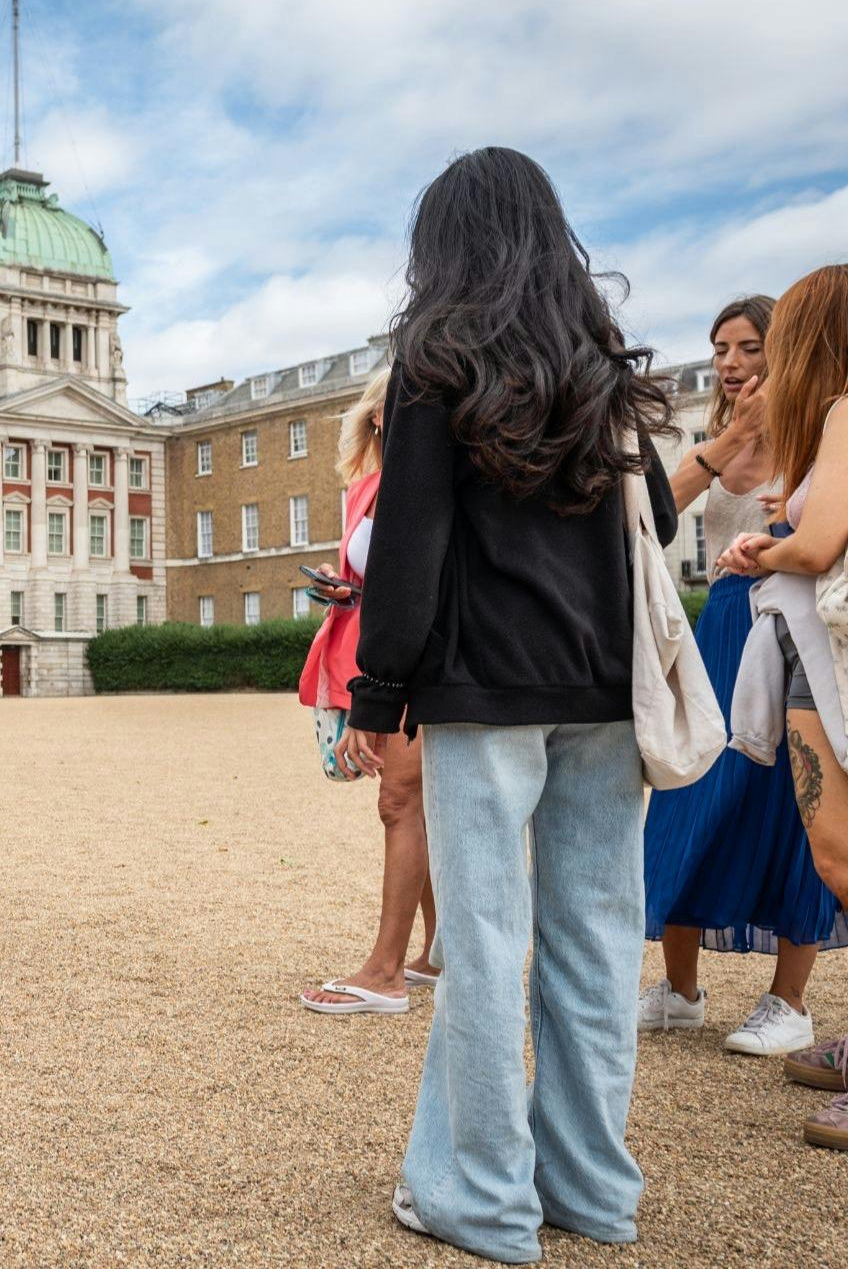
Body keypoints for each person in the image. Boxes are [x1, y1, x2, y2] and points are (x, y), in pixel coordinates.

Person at [338, 147, 677, 1262]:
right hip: (606, 686)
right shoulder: (602, 363)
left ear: (444, 244)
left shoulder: (433, 357)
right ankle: (590, 1189)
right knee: (592, 942)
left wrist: (376, 688)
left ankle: (481, 1198)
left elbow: (413, 541)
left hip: (485, 683)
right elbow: (663, 523)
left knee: (483, 946)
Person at [640, 295, 843, 1057]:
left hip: (788, 623)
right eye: (720, 346)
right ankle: (681, 989)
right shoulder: (717, 435)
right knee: (686, 795)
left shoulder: (818, 430)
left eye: (749, 346)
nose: (731, 361)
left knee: (790, 805)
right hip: (719, 624)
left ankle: (789, 1000)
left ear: (781, 351)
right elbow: (655, 513)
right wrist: (732, 437)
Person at [715, 263, 848, 1153]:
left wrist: (768, 546)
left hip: (826, 645)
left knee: (838, 848)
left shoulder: (843, 411)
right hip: (813, 644)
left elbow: (824, 542)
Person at [297, 369, 440, 1016]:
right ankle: (439, 950)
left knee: (399, 798)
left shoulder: (429, 484)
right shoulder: (364, 489)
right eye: (394, 404)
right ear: (377, 416)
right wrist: (338, 584)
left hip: (426, 656)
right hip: (379, 651)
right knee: (416, 803)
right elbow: (374, 573)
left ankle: (385, 971)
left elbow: (422, 582)